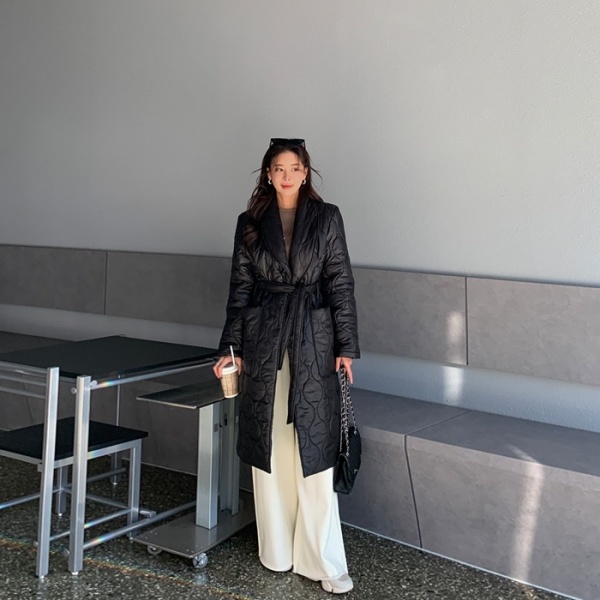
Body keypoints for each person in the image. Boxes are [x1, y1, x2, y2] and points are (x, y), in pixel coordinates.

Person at [213, 138, 360, 594]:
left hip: (314, 339)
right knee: (272, 444)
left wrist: (346, 346)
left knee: (314, 451)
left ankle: (324, 561)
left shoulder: (327, 216)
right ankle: (277, 550)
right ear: (268, 173)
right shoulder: (250, 222)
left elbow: (340, 281)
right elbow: (240, 287)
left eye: (295, 167)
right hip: (264, 339)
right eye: (279, 168)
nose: (288, 175)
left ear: (306, 172)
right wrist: (230, 348)